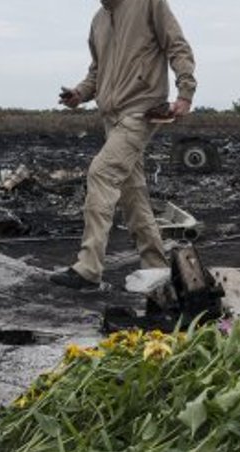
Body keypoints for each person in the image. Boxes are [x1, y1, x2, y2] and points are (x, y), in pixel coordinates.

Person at [52, 0, 196, 289]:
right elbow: (97, 71)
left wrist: (185, 91)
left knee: (101, 173)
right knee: (133, 193)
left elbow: (177, 45)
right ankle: (157, 268)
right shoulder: (98, 20)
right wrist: (79, 94)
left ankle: (89, 268)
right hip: (111, 117)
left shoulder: (149, 3)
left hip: (142, 110)